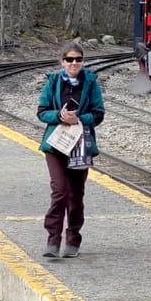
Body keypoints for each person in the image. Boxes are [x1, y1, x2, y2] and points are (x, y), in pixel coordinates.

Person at [37, 42, 105, 258]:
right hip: (56, 144)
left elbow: (98, 113)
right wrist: (59, 116)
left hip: (80, 145)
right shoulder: (53, 81)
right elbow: (41, 112)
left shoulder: (91, 82)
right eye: (69, 59)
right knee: (60, 192)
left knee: (76, 195)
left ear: (83, 61)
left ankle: (73, 238)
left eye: (78, 59)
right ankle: (53, 240)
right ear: (62, 62)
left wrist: (79, 119)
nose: (74, 63)